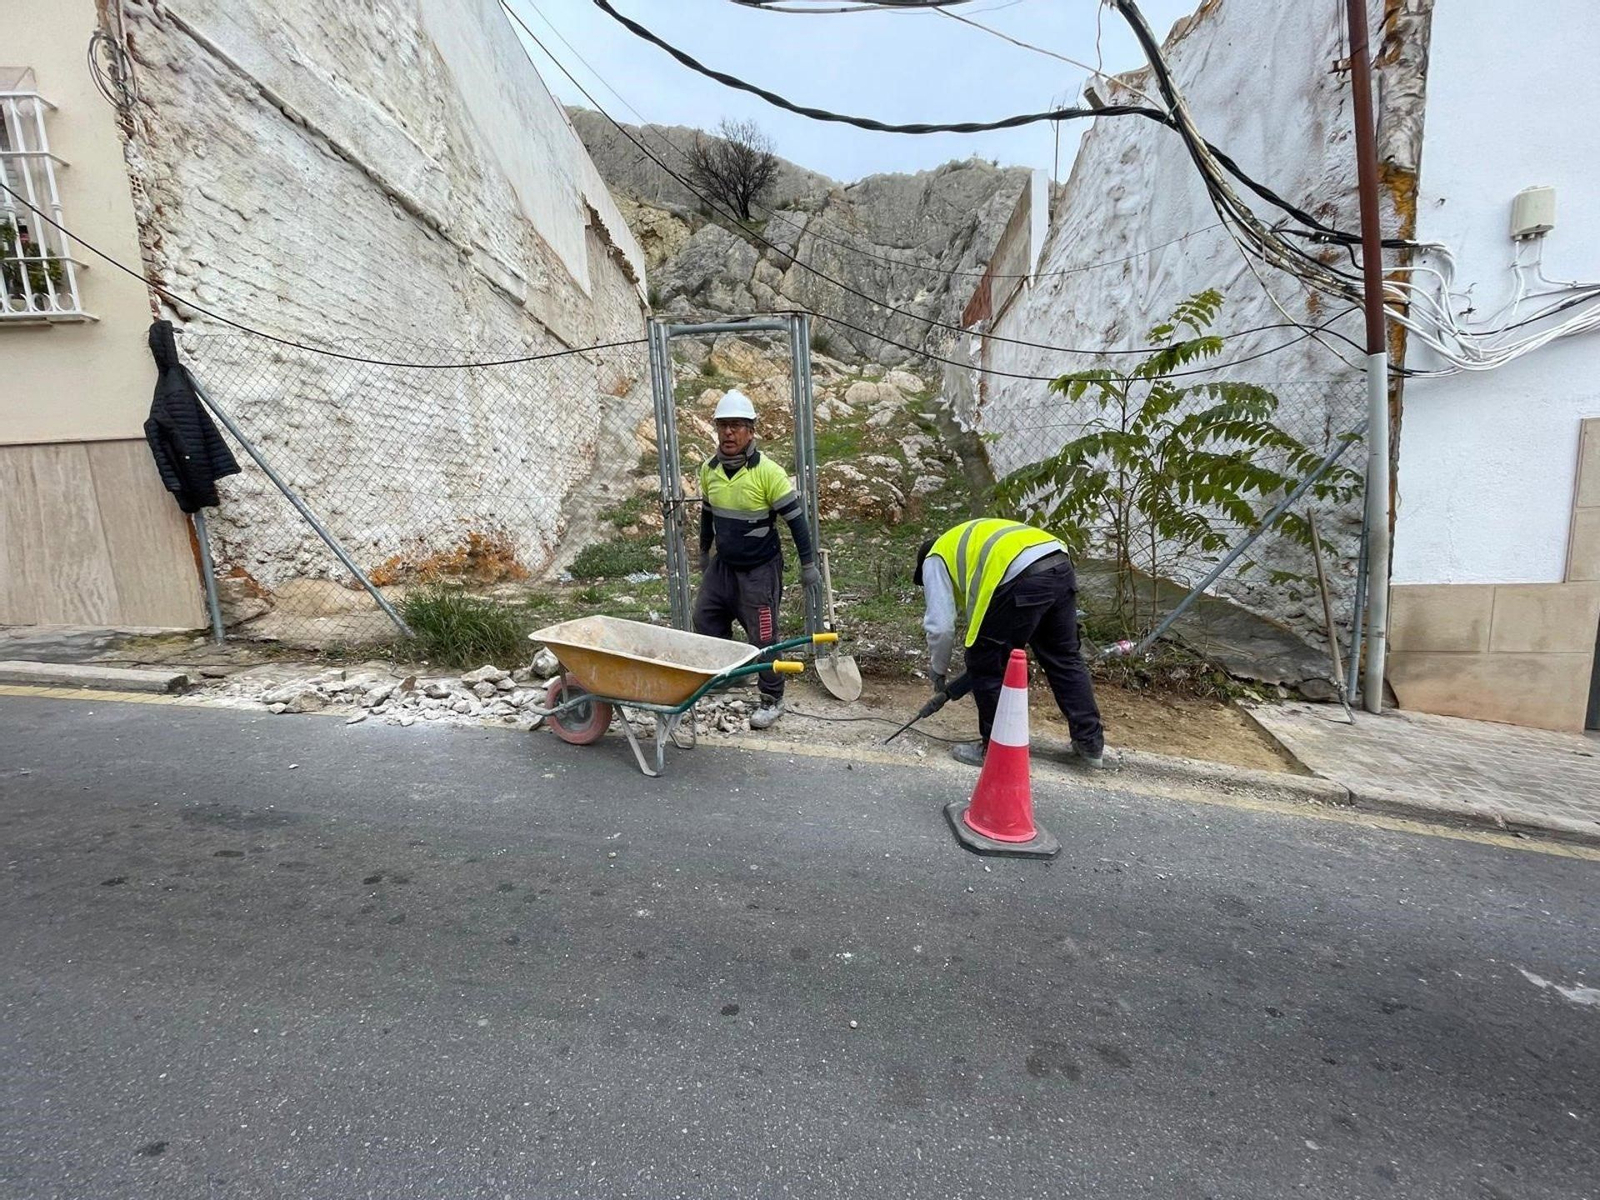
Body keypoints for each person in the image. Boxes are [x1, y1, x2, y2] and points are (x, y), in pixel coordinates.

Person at [914, 517, 1108, 768]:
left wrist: (937, 671)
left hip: (1021, 575)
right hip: (1059, 564)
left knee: (986, 662)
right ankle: (1090, 744)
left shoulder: (935, 558)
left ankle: (996, 752)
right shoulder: (969, 542)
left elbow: (940, 627)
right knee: (1063, 658)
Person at [694, 389, 821, 730]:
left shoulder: (769, 473)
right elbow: (708, 515)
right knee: (704, 618)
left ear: (751, 430)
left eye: (736, 426)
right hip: (724, 566)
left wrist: (808, 565)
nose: (728, 433)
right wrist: (704, 552)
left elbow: (796, 521)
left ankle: (771, 698)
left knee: (763, 637)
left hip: (759, 570)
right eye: (722, 426)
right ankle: (731, 674)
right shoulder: (709, 470)